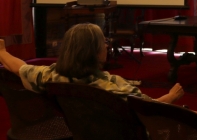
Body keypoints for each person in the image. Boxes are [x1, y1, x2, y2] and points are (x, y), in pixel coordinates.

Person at [0, 23, 184, 103]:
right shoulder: (112, 86)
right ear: (94, 52)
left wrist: (2, 53)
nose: (107, 46)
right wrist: (171, 97)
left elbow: (20, 68)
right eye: (104, 42)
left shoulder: (50, 76)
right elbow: (149, 108)